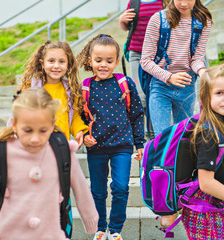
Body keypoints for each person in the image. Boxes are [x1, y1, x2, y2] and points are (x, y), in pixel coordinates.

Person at [0, 88, 99, 240]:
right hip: (6, 235)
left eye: (43, 130)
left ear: (52, 125)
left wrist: (90, 218)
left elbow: (81, 187)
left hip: (49, 234)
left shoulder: (62, 150)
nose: (35, 138)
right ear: (14, 124)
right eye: (27, 130)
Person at [76, 34, 146, 240]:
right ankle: (100, 228)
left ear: (117, 61)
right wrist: (85, 134)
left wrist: (140, 143)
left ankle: (115, 230)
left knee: (121, 187)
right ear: (90, 61)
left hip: (122, 146)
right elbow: (79, 117)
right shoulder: (86, 87)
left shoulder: (126, 83)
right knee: (97, 191)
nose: (103, 65)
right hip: (96, 147)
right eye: (98, 60)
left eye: (109, 61)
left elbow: (136, 113)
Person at [139, 0, 212, 137]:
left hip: (187, 85)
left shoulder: (203, 21)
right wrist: (169, 77)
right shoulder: (158, 19)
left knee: (185, 138)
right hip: (160, 85)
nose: (184, 3)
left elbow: (196, 59)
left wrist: (202, 71)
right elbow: (145, 60)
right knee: (163, 139)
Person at [181, 64, 224, 239]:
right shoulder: (208, 133)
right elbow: (206, 183)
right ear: (206, 97)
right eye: (219, 93)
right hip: (206, 213)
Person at [20, 40, 87, 147]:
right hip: (36, 144)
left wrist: (79, 130)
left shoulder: (71, 90)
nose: (56, 66)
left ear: (68, 64)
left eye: (61, 62)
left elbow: (74, 116)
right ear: (42, 63)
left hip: (61, 146)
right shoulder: (30, 87)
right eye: (51, 61)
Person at [119, 0, 166, 138]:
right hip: (137, 54)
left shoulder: (165, 2)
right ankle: (140, 135)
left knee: (155, 95)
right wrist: (122, 20)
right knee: (140, 97)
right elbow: (127, 26)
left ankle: (154, 136)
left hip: (158, 55)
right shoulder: (134, 2)